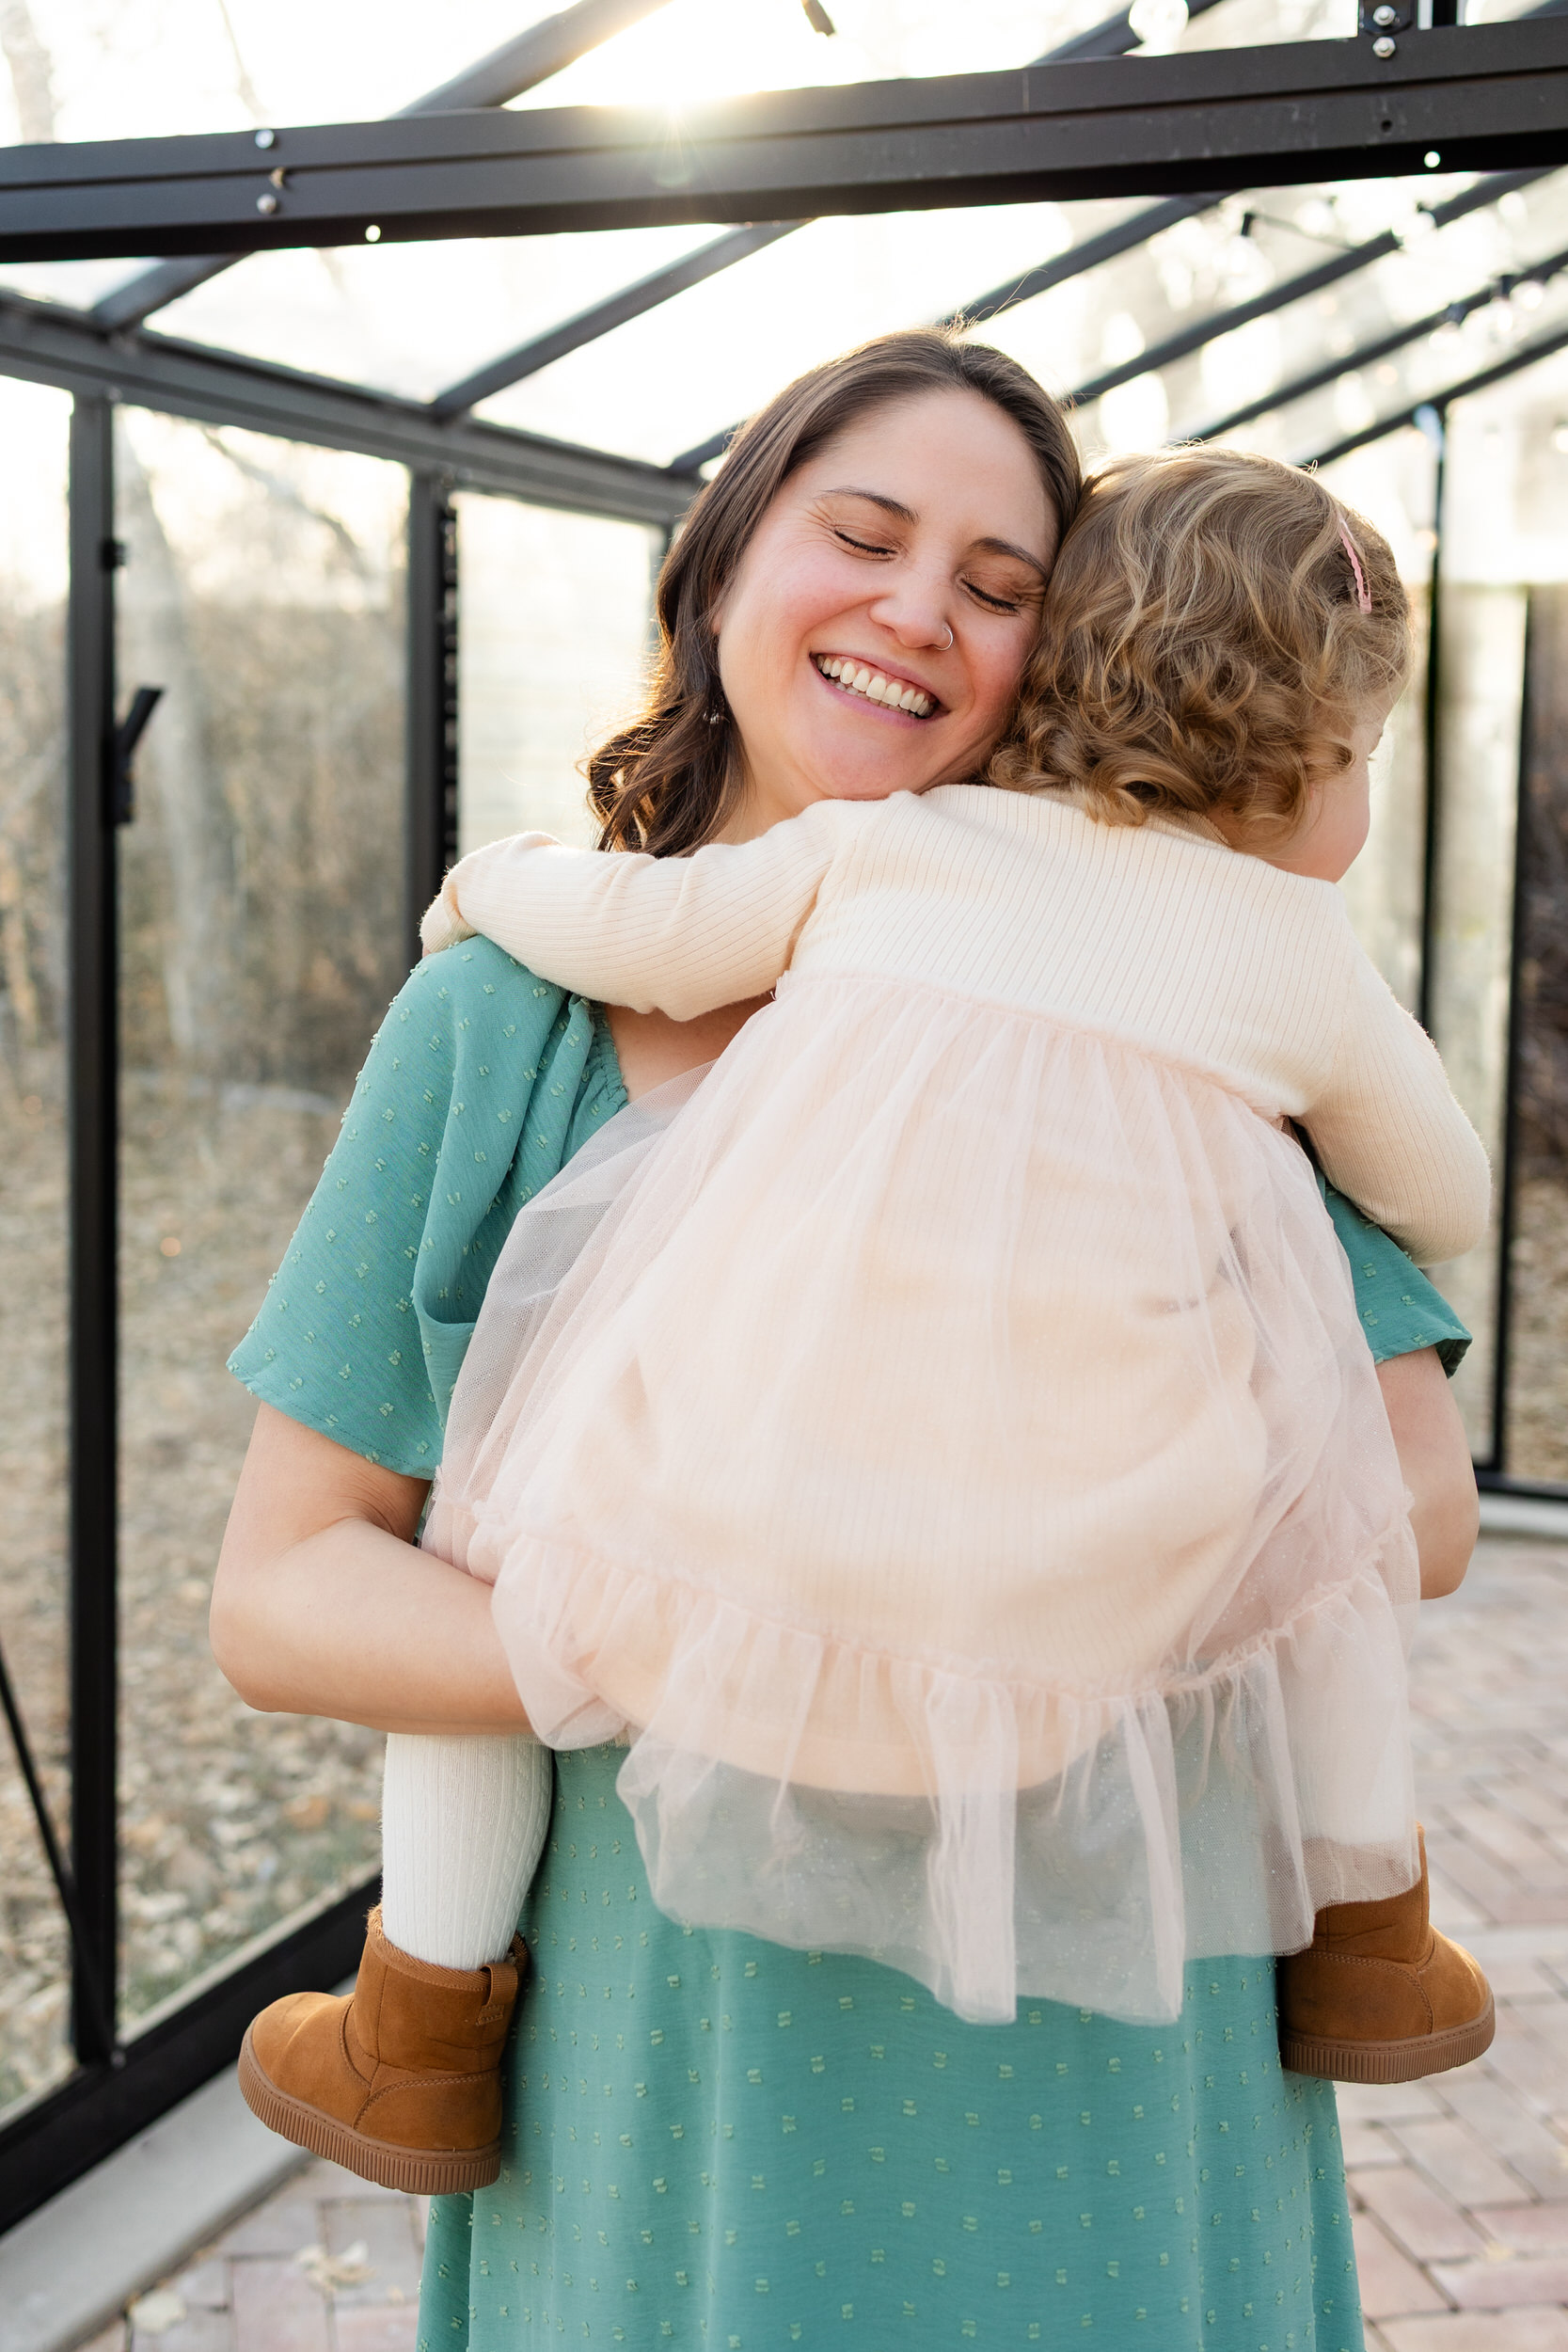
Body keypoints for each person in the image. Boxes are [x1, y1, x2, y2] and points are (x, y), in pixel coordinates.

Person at [214, 334, 1474, 2348]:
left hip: (1127, 2087)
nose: (919, 611)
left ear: (1067, 656)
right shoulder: (498, 1026)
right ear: (720, 567)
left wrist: (971, 1575)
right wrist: (684, 1627)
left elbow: (1411, 1505)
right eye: (863, 536)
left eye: (1000, 583)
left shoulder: (1176, 1016)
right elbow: (282, 1595)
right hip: (672, 2104)